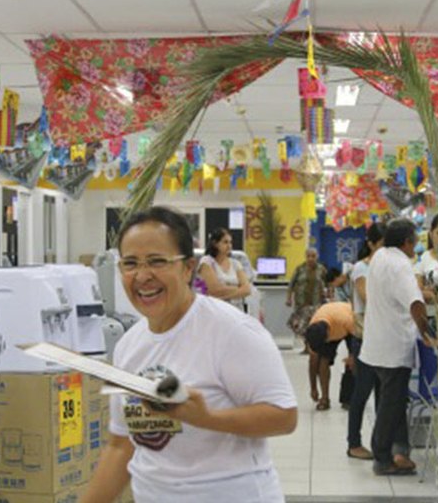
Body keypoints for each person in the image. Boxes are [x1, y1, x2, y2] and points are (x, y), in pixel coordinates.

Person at [82, 206, 297, 503]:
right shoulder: (128, 346)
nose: (142, 276)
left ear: (187, 268)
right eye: (130, 263)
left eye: (157, 261)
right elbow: (121, 446)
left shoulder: (232, 332)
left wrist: (207, 418)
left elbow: (284, 416)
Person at [360, 218, 435, 476]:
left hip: (376, 343)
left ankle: (400, 451)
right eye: (415, 240)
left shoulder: (380, 256)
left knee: (393, 400)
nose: (416, 246)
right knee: (391, 404)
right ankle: (382, 458)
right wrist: (427, 333)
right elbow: (415, 303)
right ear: (406, 242)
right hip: (393, 345)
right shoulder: (401, 264)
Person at [346, 222, 386, 460]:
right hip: (365, 338)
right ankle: (354, 443)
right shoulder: (362, 268)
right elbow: (366, 297)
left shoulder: (384, 267)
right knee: (361, 393)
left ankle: (380, 443)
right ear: (371, 243)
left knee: (383, 394)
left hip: (383, 337)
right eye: (380, 244)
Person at [304, 301, 354, 411]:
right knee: (322, 361)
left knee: (352, 363)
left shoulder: (346, 319)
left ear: (327, 337)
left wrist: (353, 355)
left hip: (350, 327)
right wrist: (313, 388)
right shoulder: (313, 328)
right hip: (331, 321)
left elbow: (359, 338)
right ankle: (325, 399)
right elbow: (313, 362)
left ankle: (349, 398)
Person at [196, 228, 251, 311]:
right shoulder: (207, 262)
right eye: (225, 242)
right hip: (216, 311)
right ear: (215, 244)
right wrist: (237, 289)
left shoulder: (236, 264)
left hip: (237, 311)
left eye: (230, 242)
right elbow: (214, 290)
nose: (229, 246)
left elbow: (247, 290)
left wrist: (223, 292)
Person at [286, 248, 328, 347]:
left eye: (313, 256)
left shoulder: (322, 269)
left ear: (317, 256)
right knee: (301, 325)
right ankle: (306, 345)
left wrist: (329, 294)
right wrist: (288, 298)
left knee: (313, 325)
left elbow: (328, 283)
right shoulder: (299, 269)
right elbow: (291, 285)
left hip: (316, 302)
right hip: (301, 302)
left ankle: (312, 346)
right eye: (308, 256)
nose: (310, 259)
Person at [415, 214, 438, 322]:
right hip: (430, 317)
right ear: (431, 234)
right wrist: (429, 294)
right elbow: (415, 290)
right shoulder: (423, 258)